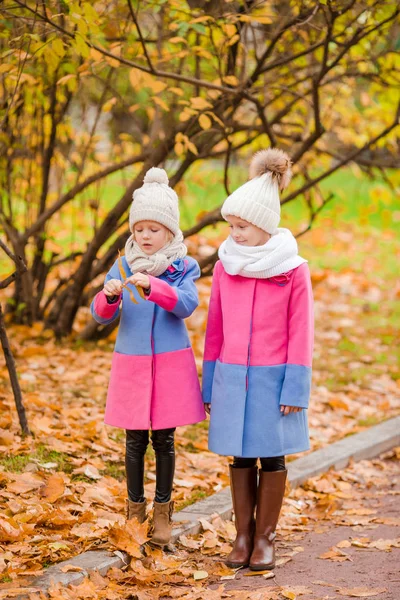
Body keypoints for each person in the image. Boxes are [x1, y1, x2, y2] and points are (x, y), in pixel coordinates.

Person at [202, 148, 314, 570]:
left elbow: (302, 333)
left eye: (242, 226)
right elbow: (215, 328)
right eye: (230, 226)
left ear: (264, 224)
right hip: (232, 376)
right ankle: (242, 535)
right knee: (240, 455)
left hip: (274, 380)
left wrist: (295, 388)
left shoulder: (292, 269)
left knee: (272, 455)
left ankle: (265, 538)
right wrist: (209, 381)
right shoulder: (225, 266)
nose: (234, 234)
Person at [91, 167, 206, 548]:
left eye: (153, 230)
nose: (145, 236)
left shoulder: (182, 267)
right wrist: (109, 296)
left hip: (170, 366)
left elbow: (186, 305)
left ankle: (163, 514)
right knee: (134, 441)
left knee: (165, 441)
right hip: (133, 365)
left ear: (170, 232)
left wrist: (154, 286)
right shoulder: (123, 264)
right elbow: (99, 314)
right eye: (139, 229)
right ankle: (134, 512)